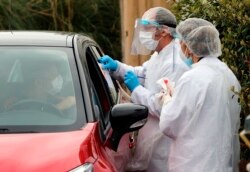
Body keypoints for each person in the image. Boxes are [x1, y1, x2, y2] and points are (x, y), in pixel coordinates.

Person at [99, 7, 189, 172]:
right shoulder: (160, 54)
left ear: (163, 31)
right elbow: (143, 74)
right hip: (152, 141)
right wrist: (117, 67)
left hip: (163, 147)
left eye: (147, 28)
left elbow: (164, 107)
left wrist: (136, 90)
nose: (142, 33)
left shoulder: (175, 63)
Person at [159, 21, 241, 172]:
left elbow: (169, 125)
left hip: (194, 164)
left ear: (189, 47)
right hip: (224, 164)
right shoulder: (229, 74)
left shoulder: (192, 78)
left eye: (181, 42)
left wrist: (167, 99)